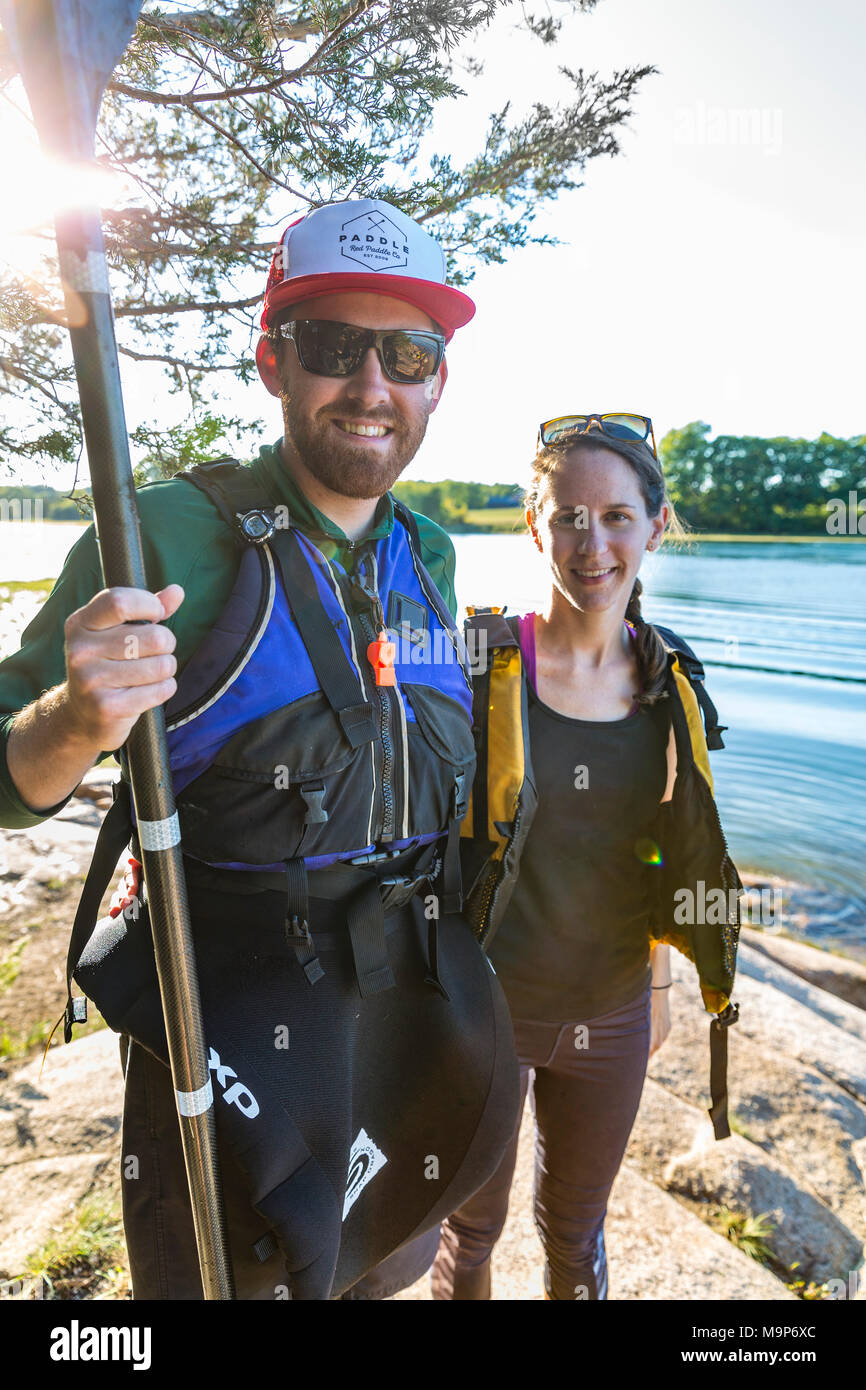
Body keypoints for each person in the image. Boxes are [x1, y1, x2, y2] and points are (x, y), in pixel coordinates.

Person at [0, 198, 520, 1300]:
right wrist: (74, 720)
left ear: (438, 378)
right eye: (334, 347)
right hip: (228, 1034)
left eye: (408, 352)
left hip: (400, 1018)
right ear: (272, 360)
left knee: (380, 1267)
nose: (372, 386)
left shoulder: (426, 552)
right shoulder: (160, 535)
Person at [433, 413, 741, 1301]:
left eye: (616, 517)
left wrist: (658, 985)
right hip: (479, 1015)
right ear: (536, 527)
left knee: (574, 1237)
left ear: (656, 525)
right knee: (471, 1230)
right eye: (568, 516)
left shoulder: (670, 684)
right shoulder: (478, 662)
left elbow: (660, 856)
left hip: (610, 1016)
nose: (591, 542)